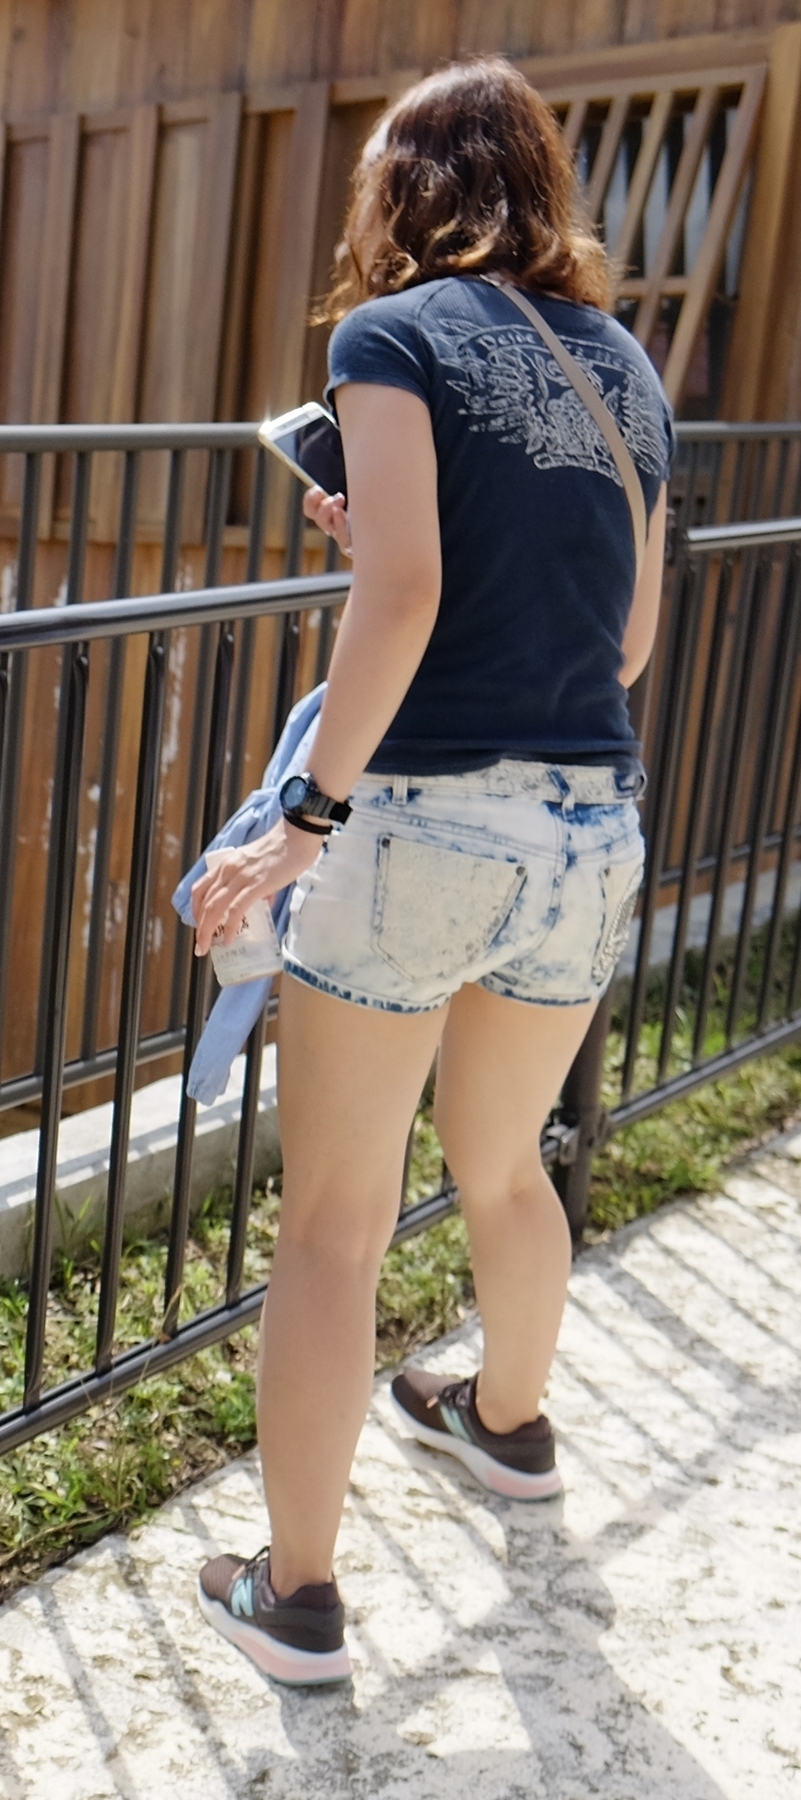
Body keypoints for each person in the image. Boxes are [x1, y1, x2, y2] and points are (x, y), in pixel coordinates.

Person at [191, 55, 672, 1687]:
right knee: (505, 1166)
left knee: (333, 1227)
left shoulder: (389, 337)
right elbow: (622, 641)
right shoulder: (622, 362)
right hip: (586, 825)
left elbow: (400, 596)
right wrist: (405, 550)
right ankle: (505, 1425)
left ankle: (297, 1599)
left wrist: (302, 818)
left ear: (403, 189)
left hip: (420, 823)